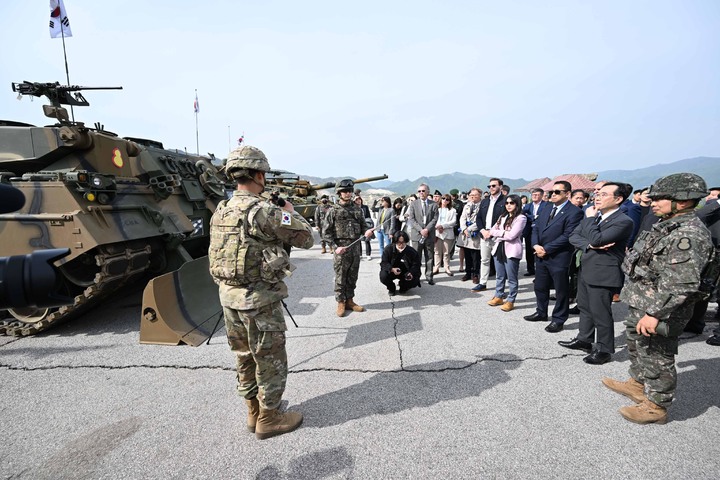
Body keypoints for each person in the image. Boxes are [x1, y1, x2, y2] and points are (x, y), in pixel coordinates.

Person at [208, 145, 314, 440]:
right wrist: (290, 213)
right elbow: (306, 238)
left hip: (228, 297)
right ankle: (270, 417)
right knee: (269, 357)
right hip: (259, 300)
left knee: (244, 356)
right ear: (257, 174)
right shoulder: (265, 211)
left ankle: (253, 411)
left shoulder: (222, 210)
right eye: (263, 173)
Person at [602, 173, 714, 424]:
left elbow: (682, 283)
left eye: (661, 198)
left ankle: (657, 406)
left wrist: (655, 314)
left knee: (657, 354)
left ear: (683, 201)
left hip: (662, 307)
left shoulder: (689, 235)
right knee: (637, 344)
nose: (653, 202)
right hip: (644, 299)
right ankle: (638, 383)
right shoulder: (667, 224)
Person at [558, 182, 634, 364]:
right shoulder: (596, 216)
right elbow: (574, 236)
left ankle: (604, 349)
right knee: (584, 306)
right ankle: (584, 339)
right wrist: (590, 245)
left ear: (618, 199)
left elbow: (597, 238)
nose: (597, 197)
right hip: (587, 268)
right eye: (597, 194)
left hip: (604, 273)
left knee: (601, 312)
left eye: (603, 194)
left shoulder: (623, 221)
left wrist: (590, 222)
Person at [523, 181, 583, 333]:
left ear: (567, 194)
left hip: (559, 256)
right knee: (540, 286)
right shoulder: (547, 207)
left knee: (561, 290)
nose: (552, 195)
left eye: (557, 192)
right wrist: (535, 245)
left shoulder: (574, 212)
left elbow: (568, 235)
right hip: (540, 254)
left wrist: (547, 249)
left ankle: (558, 319)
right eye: (551, 192)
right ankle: (541, 312)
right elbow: (535, 227)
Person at [323, 179, 375, 317]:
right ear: (339, 193)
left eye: (350, 191)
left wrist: (367, 231)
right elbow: (326, 233)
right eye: (344, 191)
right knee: (340, 277)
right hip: (341, 248)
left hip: (355, 248)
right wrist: (335, 247)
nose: (347, 193)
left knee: (353, 275)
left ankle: (350, 300)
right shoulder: (333, 211)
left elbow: (364, 226)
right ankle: (341, 301)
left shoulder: (357, 210)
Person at [487, 194, 526, 311]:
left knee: (512, 277)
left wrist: (499, 232)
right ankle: (498, 296)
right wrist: (501, 232)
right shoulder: (502, 216)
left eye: (512, 203)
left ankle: (510, 300)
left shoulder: (521, 218)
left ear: (517, 204)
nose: (508, 205)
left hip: (512, 250)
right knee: (499, 276)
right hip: (498, 248)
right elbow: (492, 230)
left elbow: (512, 235)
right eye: (507, 203)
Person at [476, 178, 507, 291]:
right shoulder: (485, 201)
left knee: (499, 262)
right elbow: (478, 218)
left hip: (498, 236)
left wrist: (493, 232)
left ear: (501, 187)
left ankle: (500, 287)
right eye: (489, 186)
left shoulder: (505, 201)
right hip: (485, 234)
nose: (491, 188)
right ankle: (483, 283)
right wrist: (483, 230)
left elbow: (507, 219)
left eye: (494, 186)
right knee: (484, 260)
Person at [407, 183, 439, 285]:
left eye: (423, 191)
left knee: (429, 256)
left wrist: (427, 230)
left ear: (428, 192)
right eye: (419, 191)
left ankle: (429, 276)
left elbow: (435, 219)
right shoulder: (413, 204)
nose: (421, 193)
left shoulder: (433, 204)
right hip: (417, 234)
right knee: (416, 257)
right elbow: (411, 219)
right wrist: (421, 230)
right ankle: (416, 276)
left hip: (429, 235)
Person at [379, 230, 422, 294]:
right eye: (399, 242)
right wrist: (391, 269)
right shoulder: (388, 249)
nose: (401, 245)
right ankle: (391, 288)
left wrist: (411, 273)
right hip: (392, 271)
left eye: (403, 242)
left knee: (414, 279)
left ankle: (403, 287)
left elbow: (416, 264)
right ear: (395, 241)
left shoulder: (412, 251)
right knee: (383, 276)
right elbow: (384, 262)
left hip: (406, 272)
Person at [521, 188, 549, 276]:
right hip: (529, 230)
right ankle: (530, 270)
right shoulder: (527, 206)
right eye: (533, 195)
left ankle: (541, 271)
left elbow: (543, 216)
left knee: (539, 250)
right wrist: (534, 217)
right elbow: (524, 215)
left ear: (541, 195)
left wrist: (532, 217)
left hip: (541, 231)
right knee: (529, 252)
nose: (535, 196)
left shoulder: (547, 205)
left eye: (537, 195)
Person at [459, 188, 483, 284]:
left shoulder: (482, 206)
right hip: (466, 233)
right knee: (467, 254)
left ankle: (476, 274)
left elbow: (481, 220)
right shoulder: (467, 205)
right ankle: (468, 272)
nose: (473, 196)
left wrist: (469, 229)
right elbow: (462, 218)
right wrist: (464, 228)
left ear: (480, 196)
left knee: (476, 256)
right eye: (471, 194)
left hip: (475, 233)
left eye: (475, 195)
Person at [434, 194, 457, 276]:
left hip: (447, 232)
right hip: (437, 232)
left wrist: (442, 226)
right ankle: (436, 267)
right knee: (437, 251)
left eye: (447, 199)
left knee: (446, 252)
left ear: (449, 201)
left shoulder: (453, 210)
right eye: (443, 198)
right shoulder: (436, 209)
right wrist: (438, 226)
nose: (445, 200)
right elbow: (433, 219)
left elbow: (453, 222)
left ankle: (447, 267)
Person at [354, 195, 374, 260]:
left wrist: (370, 225)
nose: (358, 201)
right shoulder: (353, 208)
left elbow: (369, 216)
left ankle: (368, 254)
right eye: (357, 200)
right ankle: (360, 254)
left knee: (367, 239)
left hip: (365, 225)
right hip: (357, 225)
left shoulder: (365, 207)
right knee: (358, 240)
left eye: (359, 199)